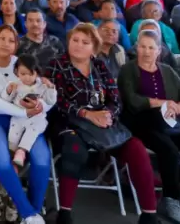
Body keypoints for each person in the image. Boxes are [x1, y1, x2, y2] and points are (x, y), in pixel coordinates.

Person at [45, 23, 159, 224]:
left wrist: (108, 114)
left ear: (94, 48)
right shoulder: (56, 65)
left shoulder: (99, 66)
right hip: (69, 122)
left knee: (137, 150)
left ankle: (149, 214)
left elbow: (115, 98)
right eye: (75, 40)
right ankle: (65, 213)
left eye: (85, 42)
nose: (78, 45)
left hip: (103, 123)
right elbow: (56, 100)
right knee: (74, 151)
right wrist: (86, 114)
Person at [117, 30, 180, 224]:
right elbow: (133, 101)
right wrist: (163, 102)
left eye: (151, 47)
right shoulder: (128, 69)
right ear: (136, 47)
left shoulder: (167, 70)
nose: (146, 51)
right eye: (142, 46)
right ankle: (171, 198)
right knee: (169, 151)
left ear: (158, 50)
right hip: (141, 122)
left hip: (170, 122)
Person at [0, 25, 51, 224]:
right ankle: (28, 213)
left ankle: (34, 213)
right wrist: (23, 111)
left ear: (16, 45)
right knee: (3, 161)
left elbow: (40, 92)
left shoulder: (19, 64)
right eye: (2, 38)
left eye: (11, 40)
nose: (6, 43)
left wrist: (41, 105)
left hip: (22, 120)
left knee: (41, 159)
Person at [3, 54, 56, 169]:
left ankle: (22, 151)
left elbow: (51, 101)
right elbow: (6, 100)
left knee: (32, 131)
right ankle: (12, 156)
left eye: (30, 74)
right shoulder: (15, 84)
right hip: (19, 116)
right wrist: (9, 91)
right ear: (16, 72)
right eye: (23, 74)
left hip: (37, 117)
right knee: (13, 134)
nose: (27, 77)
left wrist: (50, 88)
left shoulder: (42, 85)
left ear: (36, 72)